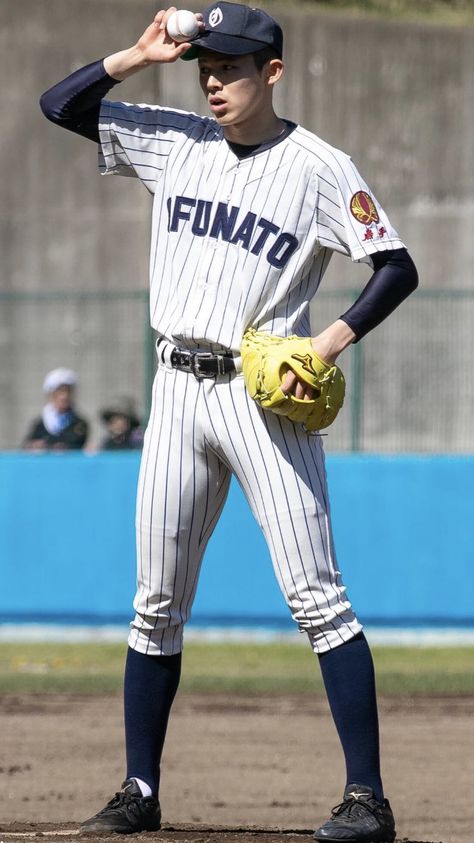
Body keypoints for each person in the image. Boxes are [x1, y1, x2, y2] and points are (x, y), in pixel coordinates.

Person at [40, 4, 418, 840]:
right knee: (154, 605)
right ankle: (140, 789)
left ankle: (367, 799)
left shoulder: (320, 166)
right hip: (174, 389)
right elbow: (60, 106)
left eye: (232, 68)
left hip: (261, 395)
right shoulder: (177, 140)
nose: (214, 81)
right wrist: (137, 57)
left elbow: (396, 267)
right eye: (206, 67)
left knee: (319, 599)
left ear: (271, 73)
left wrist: (325, 344)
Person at [22, 367, 89, 451]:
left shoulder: (79, 423)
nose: (64, 396)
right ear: (51, 394)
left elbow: (76, 444)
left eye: (68, 391)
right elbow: (25, 448)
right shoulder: (40, 423)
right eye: (60, 391)